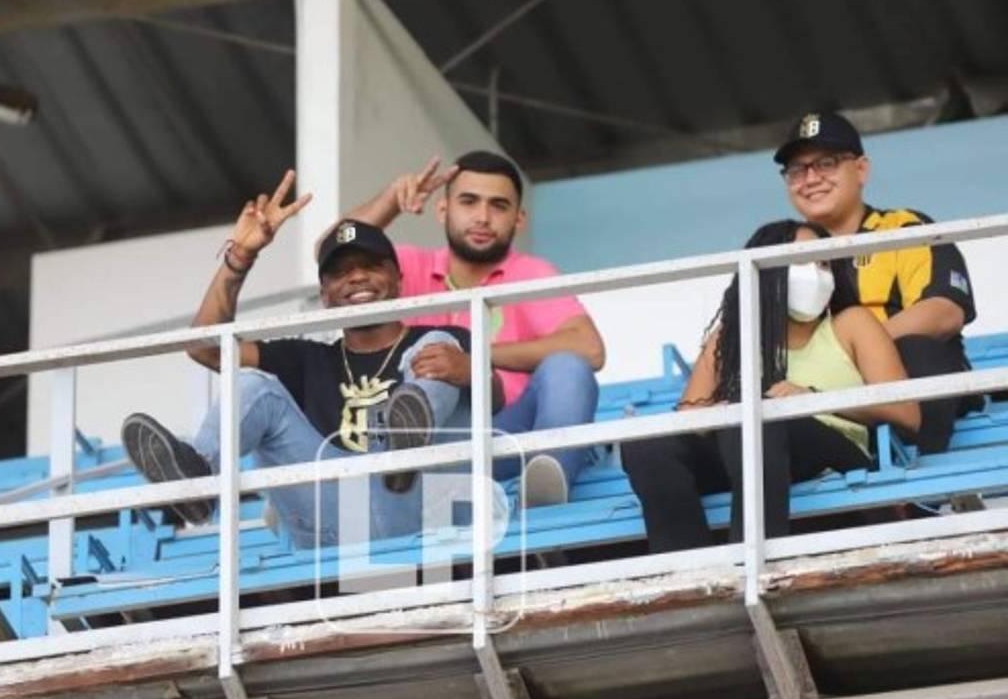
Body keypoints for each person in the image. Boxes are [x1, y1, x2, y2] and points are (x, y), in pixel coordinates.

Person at [120, 171, 500, 549]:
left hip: (423, 508)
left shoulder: (440, 341)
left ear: (398, 278)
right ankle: (198, 482)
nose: (357, 277)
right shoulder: (305, 359)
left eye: (370, 265)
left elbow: (496, 397)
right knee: (255, 386)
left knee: (438, 343)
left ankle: (403, 450)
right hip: (336, 525)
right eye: (341, 271)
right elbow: (204, 348)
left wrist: (472, 371)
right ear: (325, 294)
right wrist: (240, 257)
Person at [623, 220, 920, 553]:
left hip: (833, 449)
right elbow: (689, 419)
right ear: (764, 271)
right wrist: (727, 410)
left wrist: (812, 400)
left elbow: (907, 412)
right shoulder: (729, 338)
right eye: (801, 262)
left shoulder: (851, 323)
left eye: (824, 264)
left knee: (760, 418)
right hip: (746, 450)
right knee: (646, 444)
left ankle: (752, 562)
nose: (817, 274)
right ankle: (687, 571)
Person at [331, 150, 605, 507]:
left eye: (499, 206)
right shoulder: (407, 267)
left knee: (568, 367)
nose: (483, 217)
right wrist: (390, 200)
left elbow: (589, 349)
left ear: (519, 219)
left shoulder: (531, 272)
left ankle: (542, 496)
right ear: (443, 210)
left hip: (503, 438)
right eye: (469, 202)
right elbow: (332, 249)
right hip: (420, 443)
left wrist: (472, 360)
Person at [775, 112, 978, 452]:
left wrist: (860, 349)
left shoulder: (903, 228)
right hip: (824, 398)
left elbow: (944, 310)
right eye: (797, 170)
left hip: (903, 380)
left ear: (861, 169)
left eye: (826, 163)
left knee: (919, 348)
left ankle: (917, 477)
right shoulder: (781, 246)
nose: (810, 179)